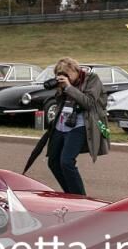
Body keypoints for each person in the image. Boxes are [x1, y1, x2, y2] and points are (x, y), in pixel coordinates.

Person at [25, 57, 109, 196]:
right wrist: (60, 88)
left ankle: (80, 198)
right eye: (60, 75)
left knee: (66, 162)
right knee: (53, 162)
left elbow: (89, 103)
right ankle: (70, 195)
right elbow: (60, 102)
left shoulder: (92, 79)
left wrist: (69, 87)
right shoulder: (64, 84)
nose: (64, 77)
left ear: (76, 70)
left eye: (66, 74)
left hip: (80, 124)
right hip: (62, 123)